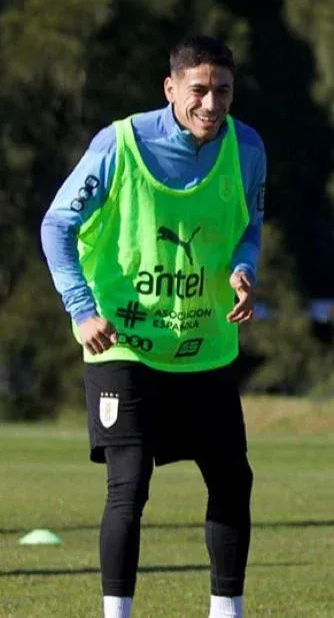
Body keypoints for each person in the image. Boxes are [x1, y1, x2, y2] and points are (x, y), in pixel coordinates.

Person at [40, 35, 266, 618]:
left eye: (223, 91)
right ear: (171, 89)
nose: (212, 104)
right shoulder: (119, 145)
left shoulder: (247, 147)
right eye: (199, 90)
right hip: (124, 342)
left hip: (204, 344)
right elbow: (56, 225)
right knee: (129, 484)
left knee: (233, 478)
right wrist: (81, 308)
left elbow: (249, 226)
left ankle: (227, 610)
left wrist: (243, 270)